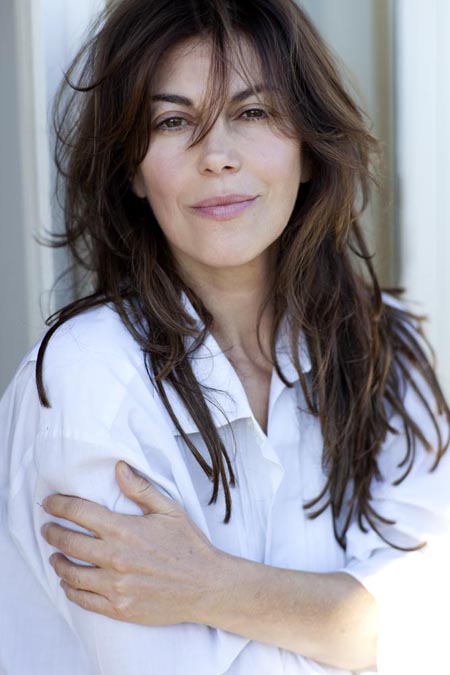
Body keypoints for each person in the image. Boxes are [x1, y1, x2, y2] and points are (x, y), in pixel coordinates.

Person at [1, 0, 449, 673]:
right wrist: (353, 627)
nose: (217, 157)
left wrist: (212, 586)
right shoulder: (87, 377)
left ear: (307, 149)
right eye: (174, 121)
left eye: (253, 112)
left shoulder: (383, 343)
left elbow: (433, 624)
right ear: (132, 170)